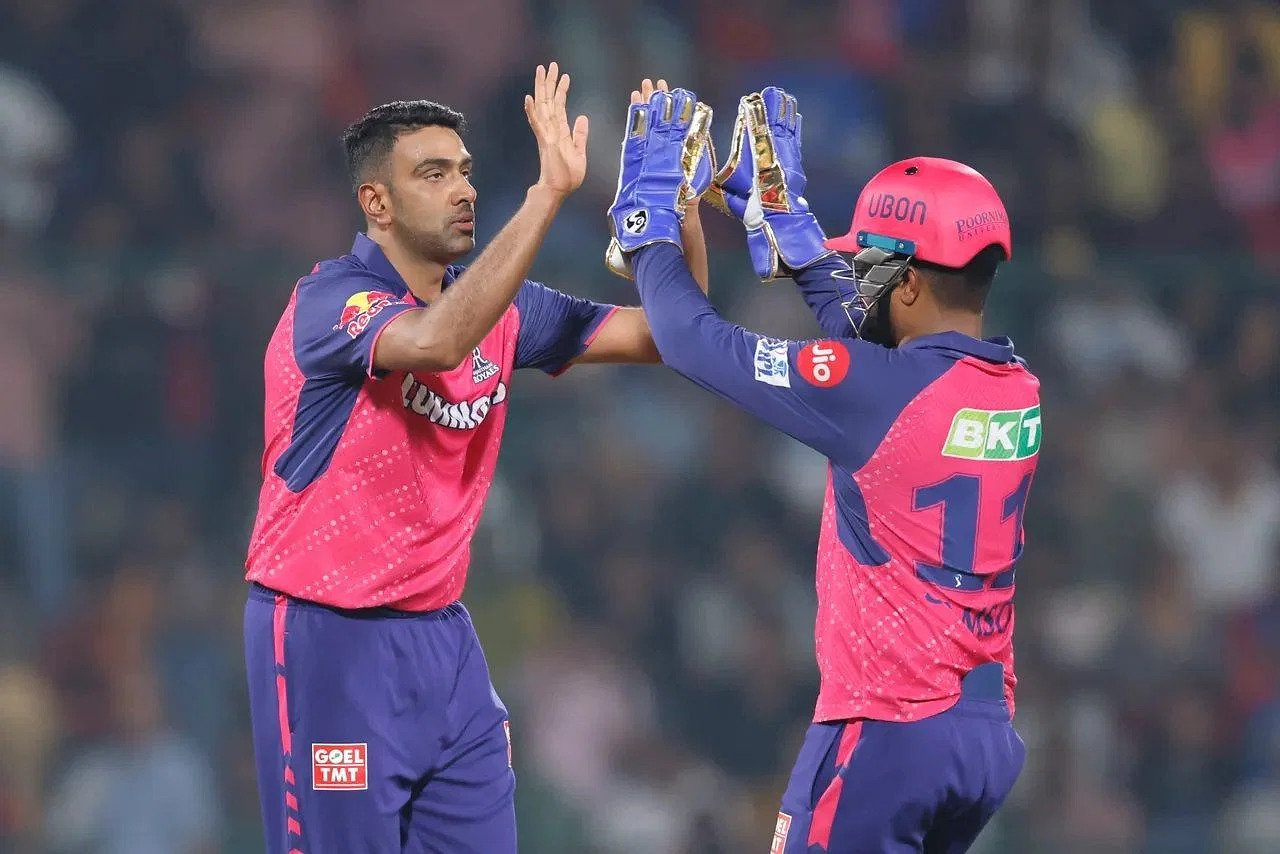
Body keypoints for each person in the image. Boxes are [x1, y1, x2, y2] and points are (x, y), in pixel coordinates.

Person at [242, 66, 709, 854]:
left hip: (444, 644)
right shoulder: (329, 302)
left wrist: (675, 210)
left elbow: (675, 335)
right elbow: (436, 341)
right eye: (433, 174)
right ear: (377, 203)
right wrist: (547, 195)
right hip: (330, 639)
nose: (462, 189)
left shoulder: (504, 307)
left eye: (463, 171)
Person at [608, 85, 1038, 853]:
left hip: (887, 731)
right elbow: (881, 346)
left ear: (910, 281)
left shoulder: (874, 390)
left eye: (868, 265)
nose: (858, 278)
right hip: (983, 735)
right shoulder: (1016, 388)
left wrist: (647, 225)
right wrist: (792, 228)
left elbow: (691, 340)